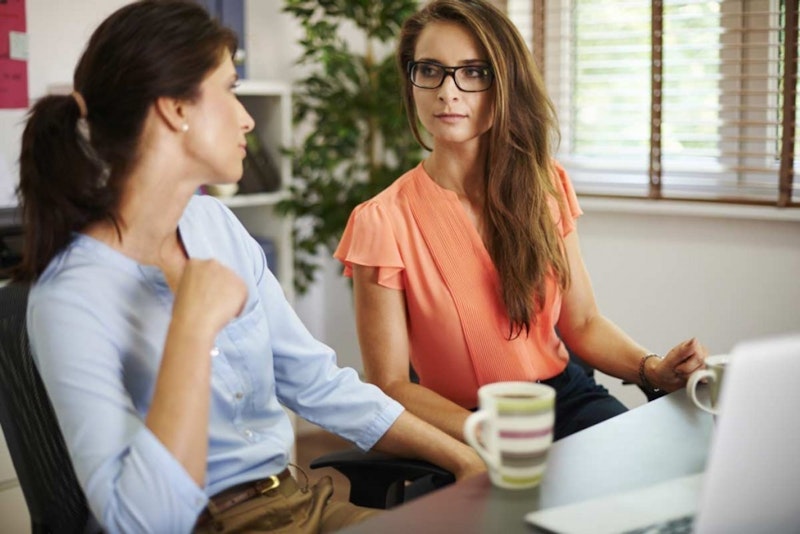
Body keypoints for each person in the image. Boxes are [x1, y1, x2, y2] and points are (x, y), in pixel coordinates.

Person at [13, 1, 484, 532]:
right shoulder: (70, 297)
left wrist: (463, 454)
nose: (247, 118)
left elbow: (316, 383)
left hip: (298, 500)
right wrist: (191, 328)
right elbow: (141, 522)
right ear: (175, 108)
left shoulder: (216, 225)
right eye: (230, 90)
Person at [334, 0, 708, 446]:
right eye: (429, 70)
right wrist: (482, 431)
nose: (447, 91)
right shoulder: (381, 221)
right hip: (467, 423)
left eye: (473, 72)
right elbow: (390, 385)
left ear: (505, 83)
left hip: (566, 399)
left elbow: (583, 323)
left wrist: (653, 369)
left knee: (643, 470)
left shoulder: (546, 186)